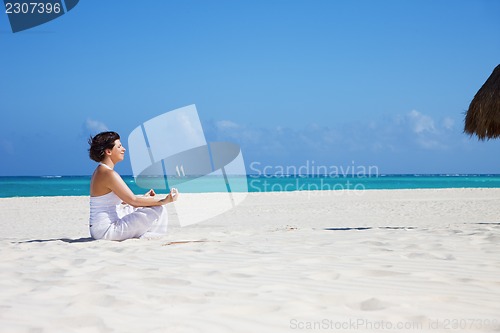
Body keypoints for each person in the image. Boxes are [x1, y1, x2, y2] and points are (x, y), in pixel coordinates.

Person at [88, 131, 178, 241]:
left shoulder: (101, 170)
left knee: (146, 205)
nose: (123, 149)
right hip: (106, 231)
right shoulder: (108, 174)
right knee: (158, 208)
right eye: (119, 146)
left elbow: (122, 200)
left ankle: (148, 234)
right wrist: (164, 200)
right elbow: (133, 201)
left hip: (99, 229)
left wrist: (144, 198)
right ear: (108, 151)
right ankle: (150, 236)